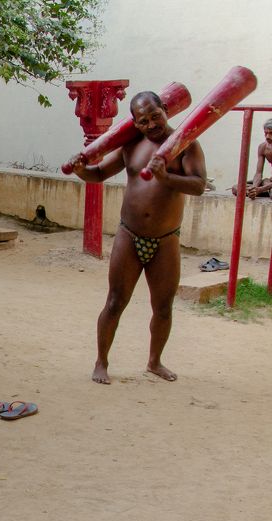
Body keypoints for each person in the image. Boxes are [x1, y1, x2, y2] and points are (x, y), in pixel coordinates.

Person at [70, 91, 207, 385]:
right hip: (129, 236)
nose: (151, 124)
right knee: (115, 302)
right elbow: (100, 174)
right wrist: (82, 171)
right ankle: (101, 362)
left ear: (165, 109)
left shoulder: (186, 144)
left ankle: (155, 361)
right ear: (135, 123)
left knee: (163, 307)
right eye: (143, 121)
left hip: (166, 239)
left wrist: (165, 176)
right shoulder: (130, 145)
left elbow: (198, 185)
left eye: (155, 116)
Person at [232, 118, 272, 198]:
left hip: (268, 184)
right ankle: (266, 191)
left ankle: (267, 191)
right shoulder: (262, 147)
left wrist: (260, 190)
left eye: (271, 133)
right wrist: (254, 188)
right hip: (268, 182)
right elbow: (258, 173)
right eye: (266, 133)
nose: (267, 136)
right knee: (236, 188)